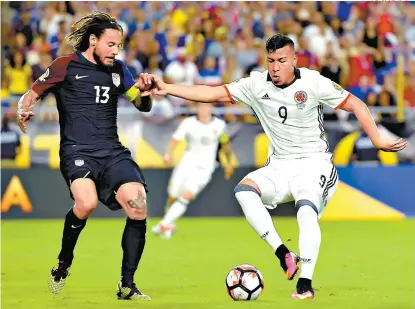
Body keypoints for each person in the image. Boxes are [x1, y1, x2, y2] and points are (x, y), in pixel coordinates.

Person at [148, 34, 407, 300]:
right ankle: (284, 254)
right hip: (280, 165)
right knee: (244, 191)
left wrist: (376, 138)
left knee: (306, 211)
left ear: (294, 59)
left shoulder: (313, 82)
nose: (275, 67)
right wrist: (167, 88)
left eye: (281, 60)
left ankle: (305, 284)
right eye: (270, 61)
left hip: (314, 164)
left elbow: (355, 103)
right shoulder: (256, 84)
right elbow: (212, 93)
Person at [16, 11, 156, 300]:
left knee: (138, 204)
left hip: (112, 152)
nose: (116, 50)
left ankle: (127, 284)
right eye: (111, 44)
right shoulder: (64, 65)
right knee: (86, 203)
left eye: (119, 45)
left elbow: (142, 105)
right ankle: (64, 260)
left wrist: (145, 92)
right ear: (93, 41)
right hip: (77, 151)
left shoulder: (119, 71)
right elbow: (31, 94)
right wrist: (24, 107)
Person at [152, 103, 234, 238]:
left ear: (210, 108)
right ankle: (169, 225)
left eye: (206, 107)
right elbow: (175, 139)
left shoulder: (219, 125)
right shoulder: (188, 123)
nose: (203, 109)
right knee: (173, 195)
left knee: (187, 195)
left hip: (205, 168)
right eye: (200, 107)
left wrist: (229, 163)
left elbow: (225, 144)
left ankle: (163, 224)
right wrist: (169, 154)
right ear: (197, 109)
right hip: (186, 164)